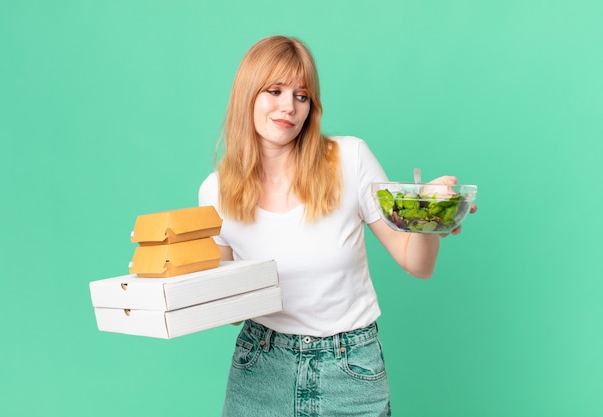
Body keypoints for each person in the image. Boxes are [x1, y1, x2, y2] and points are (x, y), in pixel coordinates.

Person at [198, 35, 477, 417]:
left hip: (349, 368)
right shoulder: (215, 191)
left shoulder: (349, 159)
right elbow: (230, 313)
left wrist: (427, 216)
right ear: (247, 94)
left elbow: (418, 264)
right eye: (275, 90)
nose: (289, 106)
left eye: (301, 95)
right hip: (260, 366)